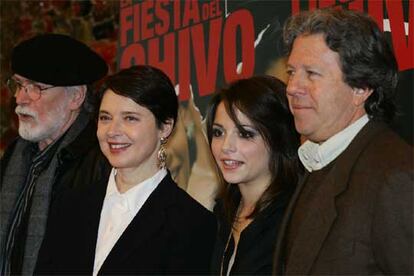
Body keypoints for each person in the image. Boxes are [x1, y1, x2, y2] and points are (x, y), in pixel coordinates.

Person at [35, 65, 217, 275]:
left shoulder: (192, 223)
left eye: (130, 118)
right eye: (105, 118)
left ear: (165, 126)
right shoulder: (69, 203)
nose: (113, 131)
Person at [273, 8, 413, 275]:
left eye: (311, 73)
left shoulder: (396, 176)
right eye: (291, 72)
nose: (292, 87)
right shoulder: (316, 162)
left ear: (361, 88)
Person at [0, 33, 108, 275]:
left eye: (35, 88)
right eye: (18, 85)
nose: (19, 98)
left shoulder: (101, 164)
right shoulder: (13, 155)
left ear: (76, 97)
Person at [207, 75, 302, 275]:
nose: (226, 147)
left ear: (278, 138)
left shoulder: (296, 216)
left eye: (245, 134)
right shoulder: (222, 213)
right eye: (218, 133)